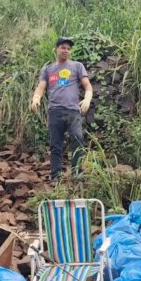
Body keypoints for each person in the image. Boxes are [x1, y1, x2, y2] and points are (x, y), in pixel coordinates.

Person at [31, 37, 93, 181]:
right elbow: (41, 87)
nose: (66, 50)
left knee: (78, 140)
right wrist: (36, 98)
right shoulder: (48, 69)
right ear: (56, 49)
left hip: (73, 111)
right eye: (63, 47)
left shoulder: (77, 66)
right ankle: (55, 176)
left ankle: (77, 173)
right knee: (55, 145)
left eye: (68, 48)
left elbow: (87, 85)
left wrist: (88, 98)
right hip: (55, 111)